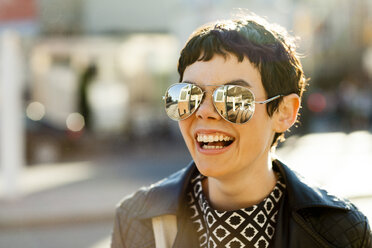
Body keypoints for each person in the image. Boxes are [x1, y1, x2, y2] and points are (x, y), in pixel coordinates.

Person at [111, 14, 372, 248]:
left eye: (233, 98)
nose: (203, 112)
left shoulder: (342, 233)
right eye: (188, 95)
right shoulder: (137, 220)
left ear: (284, 112)